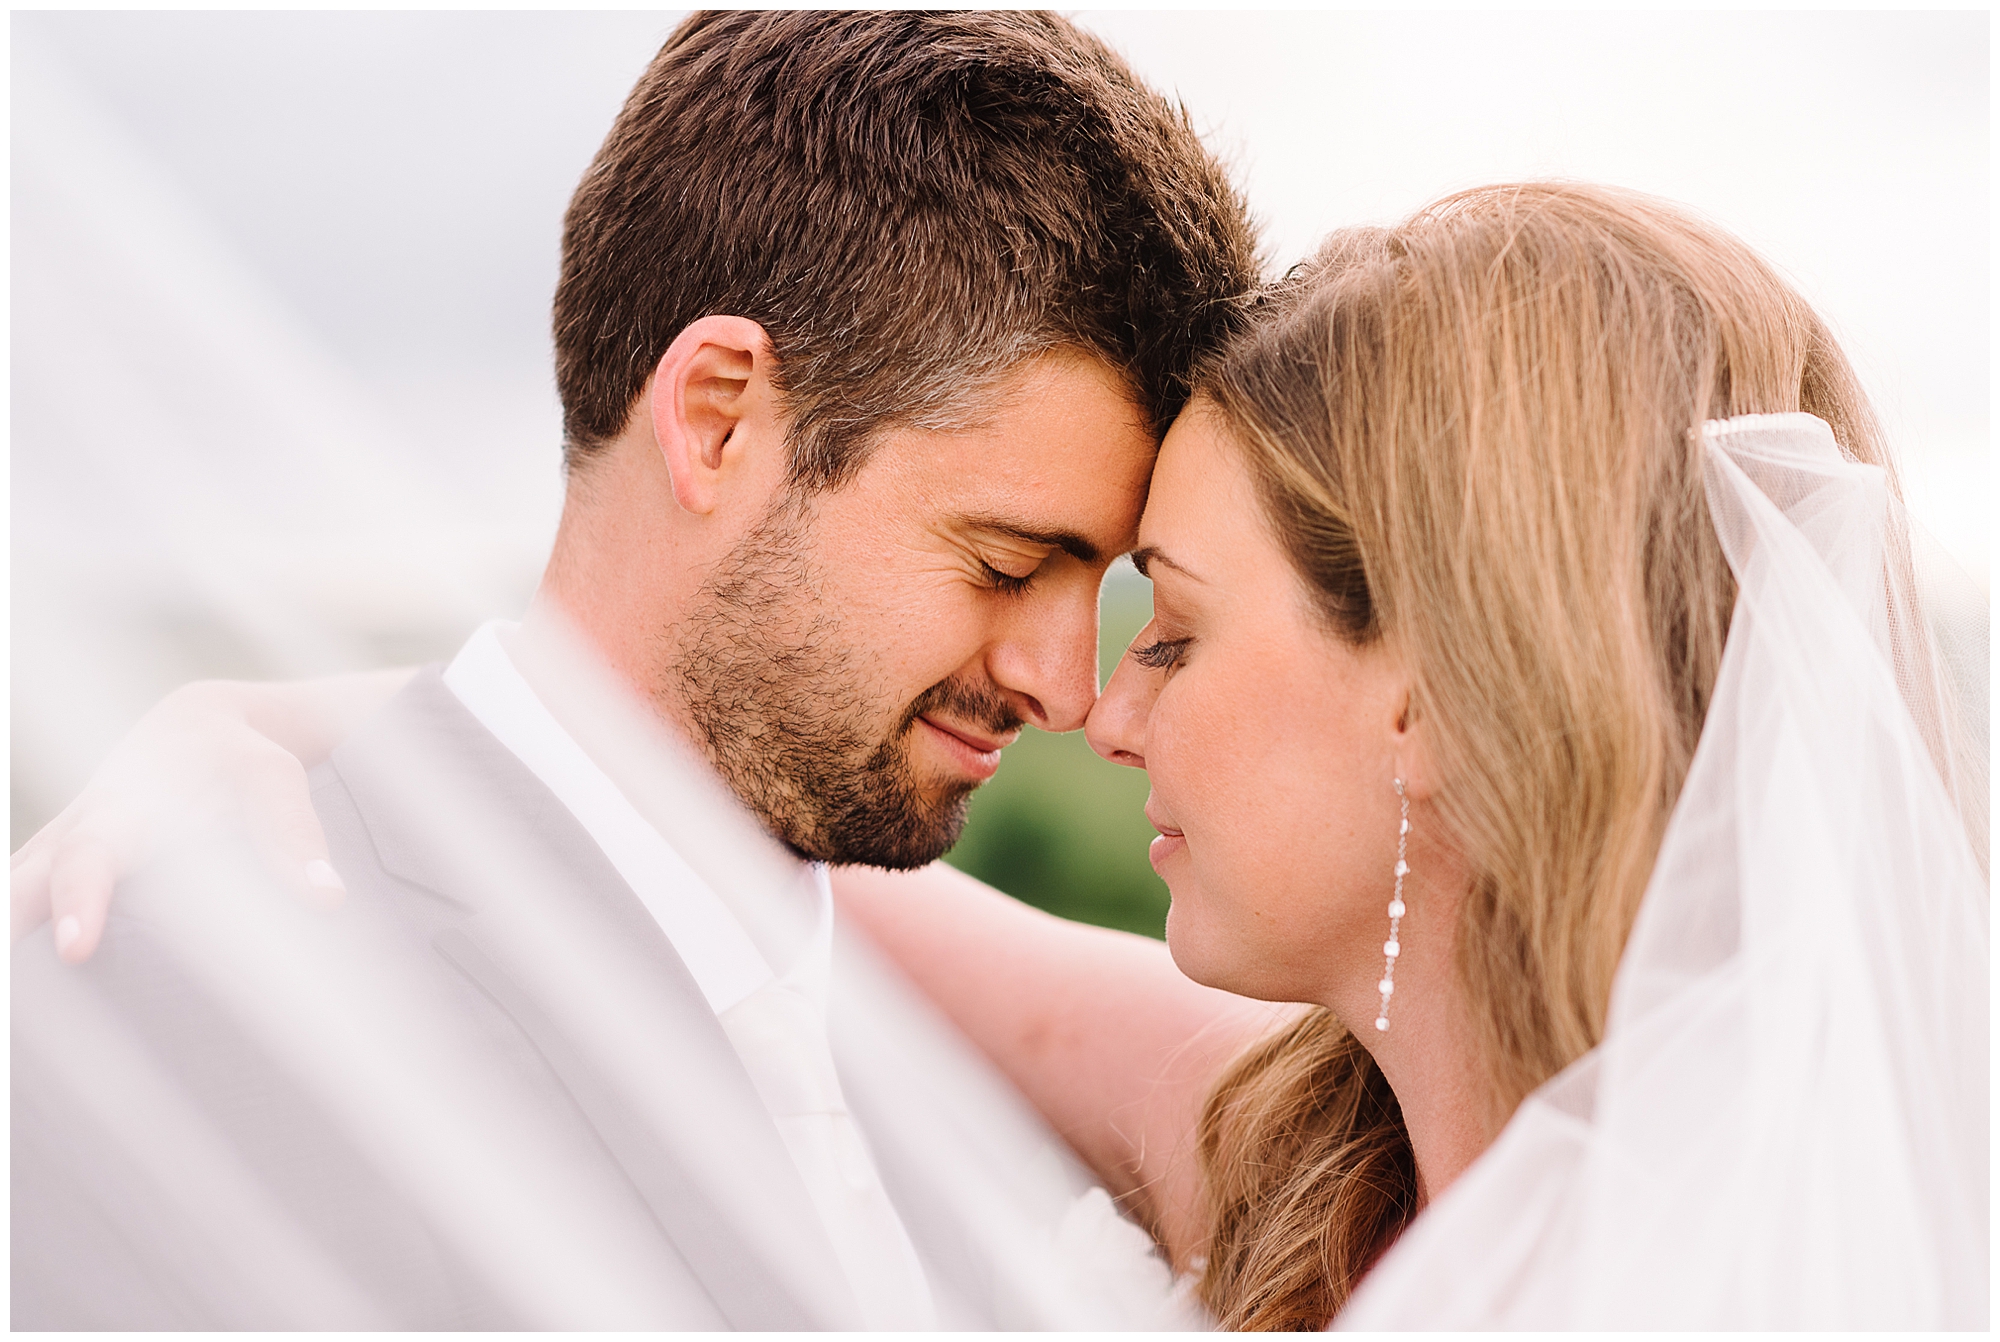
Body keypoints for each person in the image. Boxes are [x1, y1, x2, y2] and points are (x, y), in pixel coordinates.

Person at [20, 183, 1988, 1326]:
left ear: (1443, 695)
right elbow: (675, 826)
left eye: (1179, 626)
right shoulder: (1299, 1134)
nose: (1102, 704)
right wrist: (263, 712)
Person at [9, 10, 1266, 1329]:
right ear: (719, 419)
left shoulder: (948, 1047)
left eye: (1107, 587)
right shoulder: (195, 1003)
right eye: (1008, 563)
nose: (1069, 689)